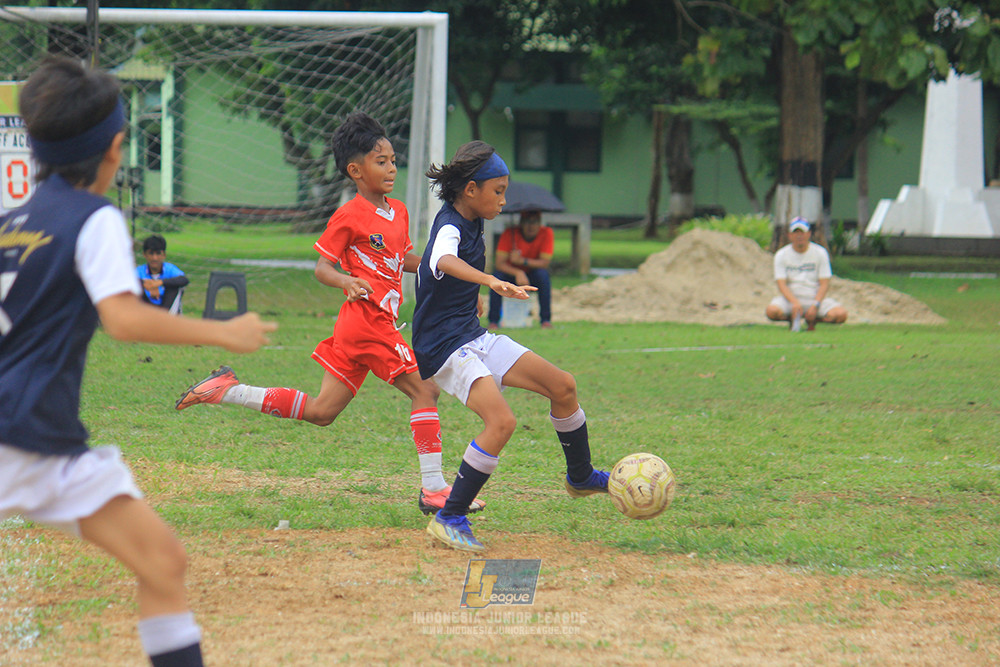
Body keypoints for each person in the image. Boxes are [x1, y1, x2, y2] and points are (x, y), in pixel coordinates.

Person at [0, 57, 276, 667]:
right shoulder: (92, 218)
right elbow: (123, 318)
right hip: (26, 434)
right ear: (114, 148)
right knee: (162, 563)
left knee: (163, 561)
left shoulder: (10, 222)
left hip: (40, 442)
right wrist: (223, 333)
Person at [174, 112, 482, 516]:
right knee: (425, 390)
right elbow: (322, 267)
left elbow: (402, 257)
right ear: (356, 170)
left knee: (322, 411)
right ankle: (434, 488)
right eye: (380, 161)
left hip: (363, 328)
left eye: (392, 159)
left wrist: (449, 273)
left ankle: (226, 390)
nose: (391, 168)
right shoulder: (349, 215)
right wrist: (346, 282)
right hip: (366, 321)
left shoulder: (400, 212)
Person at [412, 141, 608, 553]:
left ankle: (581, 476)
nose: (504, 200)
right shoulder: (449, 224)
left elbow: (447, 277)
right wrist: (489, 280)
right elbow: (441, 261)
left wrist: (472, 293)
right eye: (498, 191)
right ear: (470, 190)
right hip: (445, 348)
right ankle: (450, 517)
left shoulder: (473, 218)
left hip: (472, 334)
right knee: (501, 423)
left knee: (563, 386)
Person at [766, 217, 848, 331]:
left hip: (813, 297)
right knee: (772, 311)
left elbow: (824, 283)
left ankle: (812, 320)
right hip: (790, 299)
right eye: (796, 233)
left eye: (802, 232)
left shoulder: (820, 253)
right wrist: (794, 303)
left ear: (809, 234)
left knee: (840, 315)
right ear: (790, 235)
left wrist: (815, 305)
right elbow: (781, 283)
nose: (799, 236)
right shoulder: (781, 254)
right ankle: (793, 319)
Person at [487, 209, 553, 329]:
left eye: (534, 222)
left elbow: (544, 263)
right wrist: (518, 272)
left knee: (543, 276)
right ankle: (493, 320)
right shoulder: (509, 234)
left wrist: (522, 261)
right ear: (521, 223)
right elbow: (499, 263)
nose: (531, 226)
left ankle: (545, 320)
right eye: (527, 222)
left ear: (539, 224)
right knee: (497, 278)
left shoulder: (547, 233)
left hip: (533, 273)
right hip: (510, 273)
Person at [137, 234, 189, 314]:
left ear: (164, 255)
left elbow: (184, 280)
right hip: (146, 309)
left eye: (158, 254)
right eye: (151, 253)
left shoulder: (169, 269)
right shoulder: (139, 271)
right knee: (135, 285)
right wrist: (146, 285)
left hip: (167, 308)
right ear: (145, 255)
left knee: (175, 287)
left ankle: (168, 319)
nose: (155, 258)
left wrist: (159, 283)